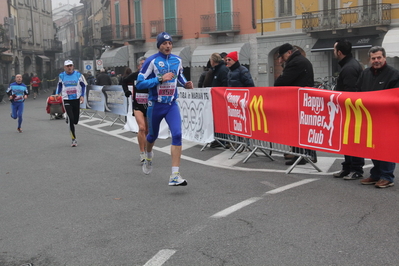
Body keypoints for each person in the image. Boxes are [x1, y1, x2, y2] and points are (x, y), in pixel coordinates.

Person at [136, 32, 194, 186]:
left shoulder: (177, 60)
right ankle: (148, 156)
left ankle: (175, 175)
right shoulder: (152, 61)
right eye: (164, 43)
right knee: (152, 136)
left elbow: (180, 77)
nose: (168, 46)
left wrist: (186, 84)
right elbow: (139, 84)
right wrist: (160, 79)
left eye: (170, 43)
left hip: (171, 105)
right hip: (156, 104)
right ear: (159, 45)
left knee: (177, 134)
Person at [357, 46, 399, 188]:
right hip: (369, 118)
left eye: (379, 57)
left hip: (387, 118)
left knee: (386, 147)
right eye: (373, 58)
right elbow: (358, 92)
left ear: (384, 58)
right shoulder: (365, 74)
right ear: (369, 59)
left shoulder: (394, 74)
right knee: (372, 147)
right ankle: (376, 174)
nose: (376, 61)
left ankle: (387, 176)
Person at [274, 43, 317, 165]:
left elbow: (282, 81)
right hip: (303, 99)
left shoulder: (295, 63)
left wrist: (283, 68)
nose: (281, 59)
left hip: (298, 100)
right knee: (303, 128)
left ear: (289, 52)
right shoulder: (300, 60)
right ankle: (307, 154)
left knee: (298, 129)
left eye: (282, 56)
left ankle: (300, 154)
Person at [331, 39, 365, 180]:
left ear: (339, 52)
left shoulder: (349, 68)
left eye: (334, 50)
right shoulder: (348, 65)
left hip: (350, 111)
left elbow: (350, 93)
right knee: (347, 140)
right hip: (347, 110)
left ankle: (356, 168)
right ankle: (347, 167)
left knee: (353, 140)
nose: (334, 52)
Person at [122, 58, 148, 163]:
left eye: (146, 64)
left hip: (149, 104)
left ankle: (147, 150)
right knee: (141, 128)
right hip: (137, 105)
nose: (144, 66)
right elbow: (124, 81)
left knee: (147, 130)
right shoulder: (135, 75)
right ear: (138, 66)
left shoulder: (151, 75)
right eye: (142, 64)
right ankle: (142, 153)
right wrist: (126, 91)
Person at [56, 60, 86, 147]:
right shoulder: (62, 75)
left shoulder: (78, 75)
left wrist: (82, 95)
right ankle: (73, 139)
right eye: (67, 66)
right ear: (65, 67)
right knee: (71, 119)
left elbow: (83, 85)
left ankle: (69, 119)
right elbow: (60, 85)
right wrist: (58, 93)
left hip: (76, 99)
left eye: (70, 66)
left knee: (76, 120)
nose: (69, 67)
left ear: (73, 66)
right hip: (67, 99)